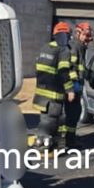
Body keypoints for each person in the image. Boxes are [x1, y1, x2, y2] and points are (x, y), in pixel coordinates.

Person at [32, 22, 76, 150]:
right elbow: (63, 72)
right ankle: (43, 143)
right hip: (54, 94)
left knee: (46, 118)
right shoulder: (64, 50)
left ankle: (45, 141)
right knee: (50, 119)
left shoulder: (46, 47)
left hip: (41, 93)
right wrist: (70, 90)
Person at [59, 22, 92, 149]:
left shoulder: (81, 47)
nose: (88, 38)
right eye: (85, 35)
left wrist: (89, 75)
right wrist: (73, 87)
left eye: (88, 35)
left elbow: (81, 67)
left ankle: (70, 140)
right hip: (72, 88)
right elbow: (70, 68)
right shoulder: (74, 47)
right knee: (71, 114)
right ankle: (66, 141)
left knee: (75, 113)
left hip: (77, 86)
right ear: (78, 33)